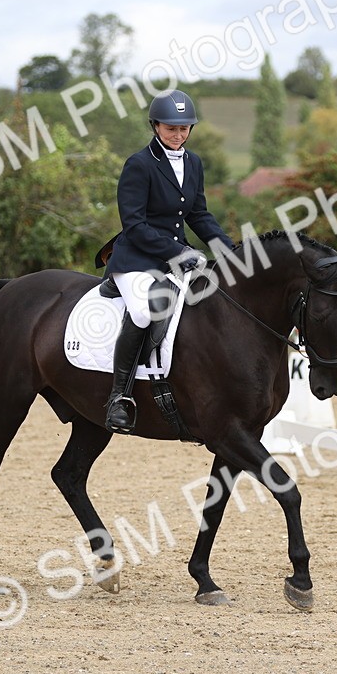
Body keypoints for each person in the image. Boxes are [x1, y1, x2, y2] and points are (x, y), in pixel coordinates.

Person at [102, 89, 234, 432]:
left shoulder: (193, 163)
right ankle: (120, 396)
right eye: (170, 129)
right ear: (155, 126)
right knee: (146, 311)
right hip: (136, 259)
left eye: (184, 128)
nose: (178, 135)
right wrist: (179, 252)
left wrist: (229, 250)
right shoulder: (139, 164)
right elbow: (134, 223)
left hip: (178, 258)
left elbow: (199, 215)